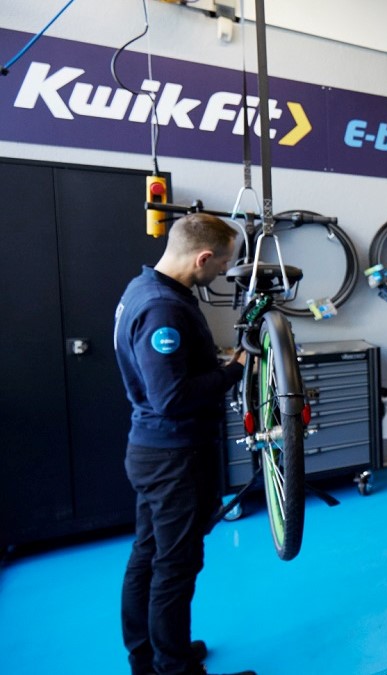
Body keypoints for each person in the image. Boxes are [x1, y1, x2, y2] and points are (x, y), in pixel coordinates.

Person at [114, 213, 254, 675]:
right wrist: (234, 368)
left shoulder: (145, 289)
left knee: (149, 553)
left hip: (152, 448)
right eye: (222, 264)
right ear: (203, 257)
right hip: (175, 454)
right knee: (176, 564)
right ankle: (174, 669)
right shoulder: (163, 309)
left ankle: (148, 656)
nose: (222, 273)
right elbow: (172, 397)